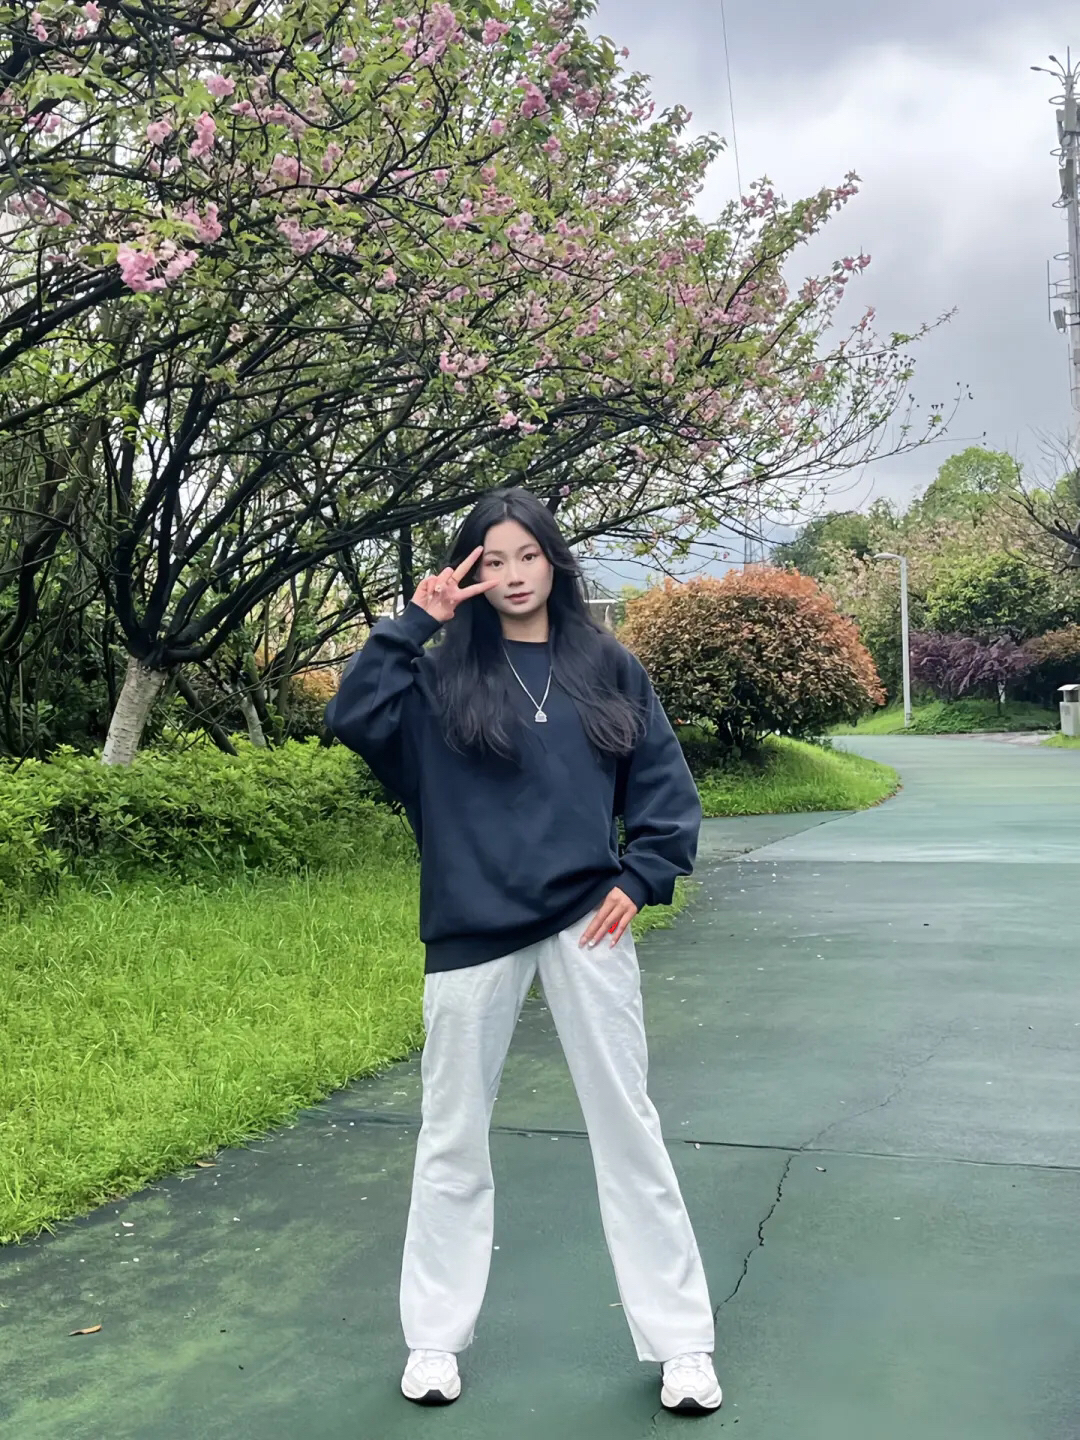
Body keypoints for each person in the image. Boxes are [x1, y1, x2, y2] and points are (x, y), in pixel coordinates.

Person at [325, 487, 720, 1415]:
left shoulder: (607, 664)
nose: (511, 575)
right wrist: (412, 624)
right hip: (472, 928)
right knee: (452, 1135)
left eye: (527, 556)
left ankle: (683, 1347)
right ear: (468, 571)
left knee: (628, 1130)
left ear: (554, 560)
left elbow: (662, 785)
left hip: (587, 919)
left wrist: (641, 875)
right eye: (491, 560)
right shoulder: (436, 677)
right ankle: (433, 1341)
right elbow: (352, 717)